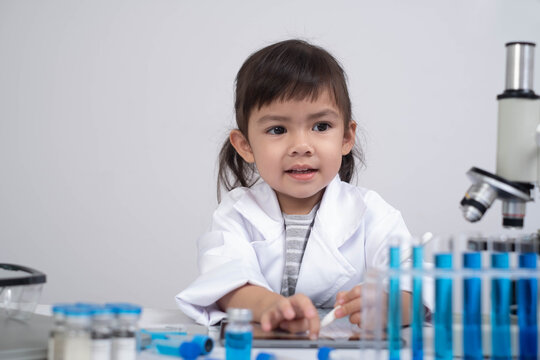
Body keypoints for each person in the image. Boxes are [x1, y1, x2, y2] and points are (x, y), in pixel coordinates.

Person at [176, 39, 430, 338]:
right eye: (277, 130)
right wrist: (271, 308)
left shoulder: (372, 212)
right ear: (245, 145)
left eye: (321, 126)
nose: (301, 147)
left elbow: (416, 284)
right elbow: (224, 282)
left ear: (347, 137)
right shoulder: (236, 213)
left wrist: (389, 305)